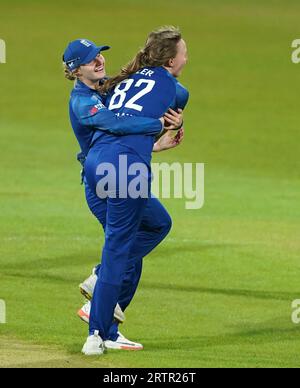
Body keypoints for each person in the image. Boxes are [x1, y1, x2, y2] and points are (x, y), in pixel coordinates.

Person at [63, 26, 188, 356]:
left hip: (108, 168)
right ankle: (96, 326)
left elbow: (124, 120)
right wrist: (157, 125)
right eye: (91, 60)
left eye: (99, 54)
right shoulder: (83, 101)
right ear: (76, 70)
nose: (99, 60)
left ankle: (109, 323)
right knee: (119, 252)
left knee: (155, 225)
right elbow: (118, 124)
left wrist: (156, 144)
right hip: (111, 175)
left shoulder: (110, 88)